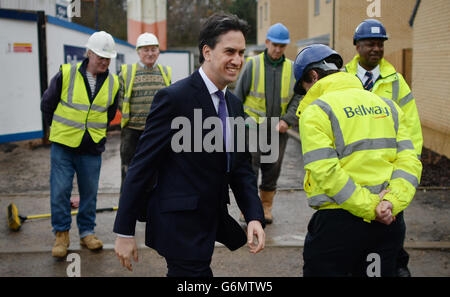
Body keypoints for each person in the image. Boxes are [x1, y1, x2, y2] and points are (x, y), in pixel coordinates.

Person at [113, 13, 265, 277]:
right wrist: (124, 231)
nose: (238, 60)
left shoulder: (234, 105)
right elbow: (141, 166)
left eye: (241, 52)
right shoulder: (174, 99)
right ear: (207, 52)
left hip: (210, 218)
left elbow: (240, 167)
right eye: (230, 51)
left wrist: (253, 215)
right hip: (179, 223)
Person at [293, 44, 422, 277]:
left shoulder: (317, 110)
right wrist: (390, 202)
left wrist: (370, 207)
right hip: (389, 221)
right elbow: (409, 162)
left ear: (312, 76)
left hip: (338, 223)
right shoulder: (388, 106)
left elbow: (326, 172)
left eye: (304, 88)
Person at [345, 19, 423, 277]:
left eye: (380, 44)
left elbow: (411, 127)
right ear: (357, 46)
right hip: (353, 171)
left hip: (389, 172)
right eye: (370, 44)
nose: (376, 49)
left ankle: (396, 266)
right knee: (354, 230)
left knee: (390, 226)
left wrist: (409, 167)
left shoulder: (396, 82)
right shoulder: (342, 79)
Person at [40, 31, 119, 258]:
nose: (104, 61)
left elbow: (109, 113)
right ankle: (61, 234)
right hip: (63, 146)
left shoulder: (113, 83)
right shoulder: (67, 74)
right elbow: (47, 104)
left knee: (89, 193)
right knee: (60, 190)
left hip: (91, 147)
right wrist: (54, 131)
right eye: (100, 56)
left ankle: (86, 233)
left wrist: (98, 135)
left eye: (107, 57)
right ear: (89, 53)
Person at [233, 23, 300, 224]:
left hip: (277, 131)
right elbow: (238, 97)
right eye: (275, 45)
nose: (278, 50)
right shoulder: (252, 65)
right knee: (249, 169)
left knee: (272, 168)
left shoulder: (292, 68)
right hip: (252, 129)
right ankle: (249, 209)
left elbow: (298, 98)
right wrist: (243, 121)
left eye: (282, 46)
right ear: (267, 42)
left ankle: (265, 207)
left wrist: (287, 120)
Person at [119, 32, 172, 193]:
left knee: (156, 172)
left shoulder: (165, 72)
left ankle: (152, 210)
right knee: (129, 172)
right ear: (138, 52)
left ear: (158, 51)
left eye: (153, 49)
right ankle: (128, 211)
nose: (150, 53)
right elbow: (120, 100)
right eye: (145, 50)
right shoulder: (127, 72)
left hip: (156, 132)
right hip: (132, 132)